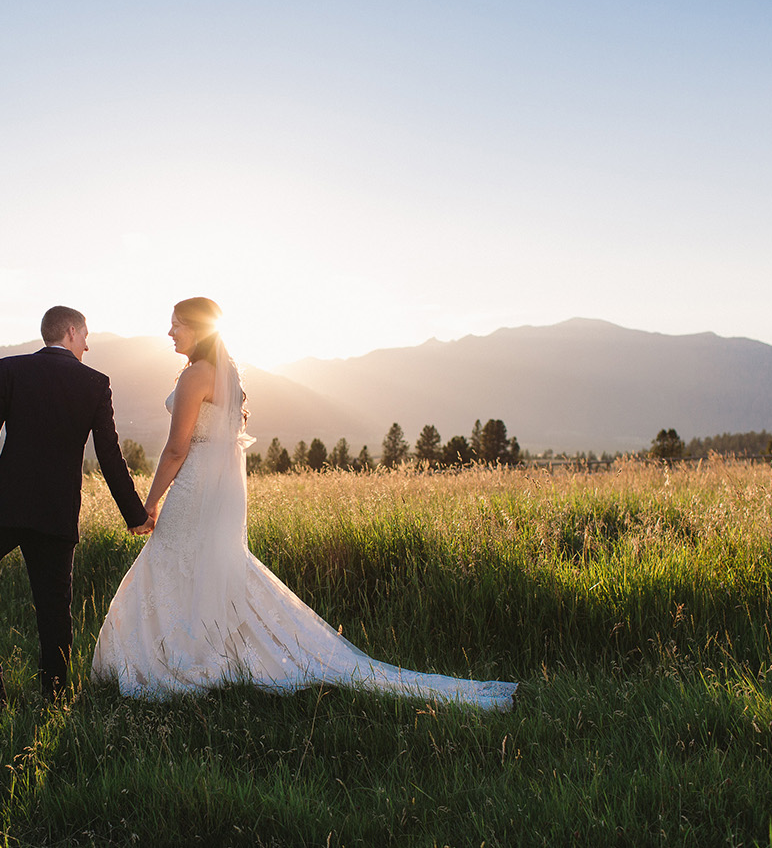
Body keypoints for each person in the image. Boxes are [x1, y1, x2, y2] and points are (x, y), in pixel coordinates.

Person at [92, 298, 517, 710]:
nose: (170, 331)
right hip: (215, 490)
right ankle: (202, 647)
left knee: (172, 562)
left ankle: (180, 656)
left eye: (177, 323)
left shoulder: (194, 376)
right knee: (204, 565)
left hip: (193, 485)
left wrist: (149, 504)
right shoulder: (227, 375)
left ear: (200, 328)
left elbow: (175, 449)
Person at [0, 305, 151, 708]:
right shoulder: (95, 384)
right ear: (71, 331)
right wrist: (135, 515)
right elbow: (110, 456)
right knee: (53, 606)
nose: (88, 345)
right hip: (56, 512)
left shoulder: (11, 369)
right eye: (85, 336)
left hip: (3, 506)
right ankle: (54, 696)